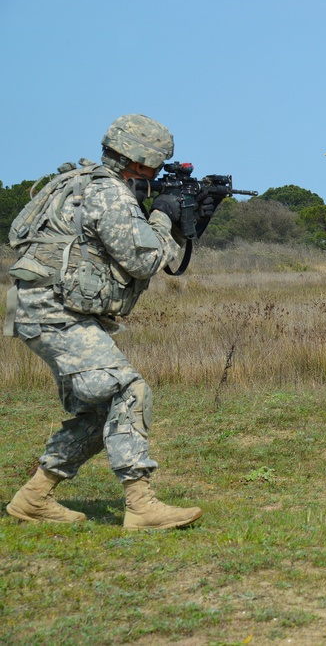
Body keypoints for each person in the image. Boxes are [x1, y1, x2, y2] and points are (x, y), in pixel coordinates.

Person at [3, 114, 203, 530]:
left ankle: (34, 498)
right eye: (154, 165)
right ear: (139, 160)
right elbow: (145, 260)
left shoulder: (76, 180)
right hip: (55, 313)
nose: (154, 173)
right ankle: (141, 505)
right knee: (129, 390)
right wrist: (165, 216)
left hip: (40, 308)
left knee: (99, 409)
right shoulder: (109, 194)